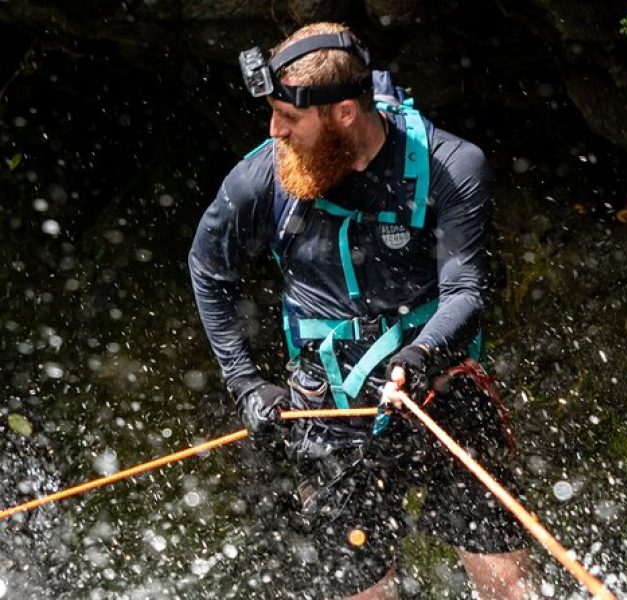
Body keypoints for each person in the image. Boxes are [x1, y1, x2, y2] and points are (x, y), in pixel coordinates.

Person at [189, 21, 539, 599]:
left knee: (503, 574)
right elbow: (208, 269)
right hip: (328, 407)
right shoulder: (261, 179)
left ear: (344, 113)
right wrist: (245, 384)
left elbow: (466, 288)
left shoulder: (452, 167)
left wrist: (421, 353)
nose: (274, 130)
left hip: (436, 384)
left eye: (289, 118)